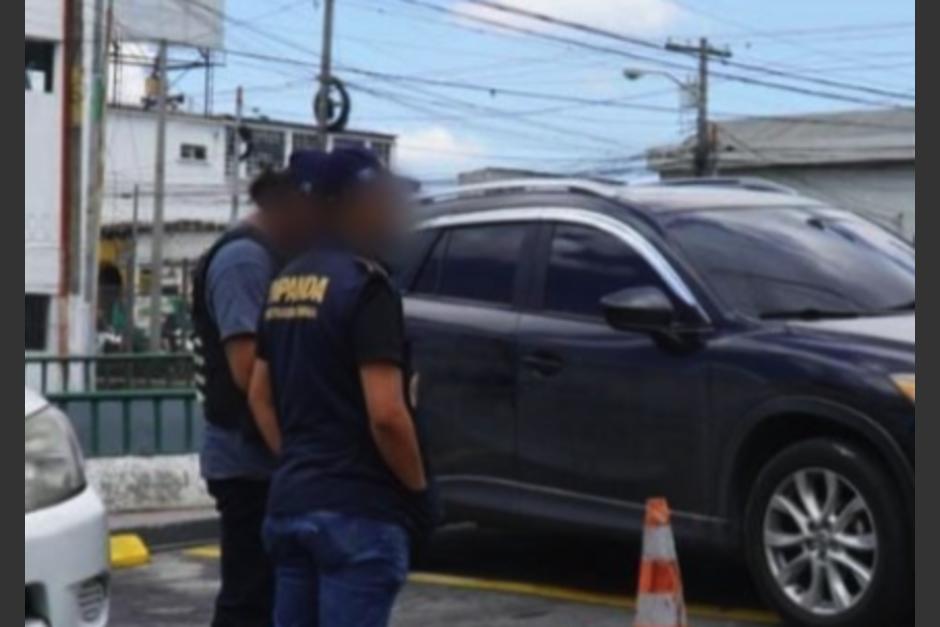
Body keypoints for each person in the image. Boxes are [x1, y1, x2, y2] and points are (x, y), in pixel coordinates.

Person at [248, 148, 436, 627]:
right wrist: (418, 494)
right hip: (358, 513)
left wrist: (299, 460)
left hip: (292, 504)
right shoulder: (368, 288)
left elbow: (259, 396)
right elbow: (387, 415)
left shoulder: (286, 281)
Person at [191, 151, 325, 627]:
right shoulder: (245, 260)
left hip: (267, 457)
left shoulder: (277, 257)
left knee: (275, 597)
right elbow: (249, 374)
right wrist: (292, 455)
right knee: (250, 597)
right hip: (249, 460)